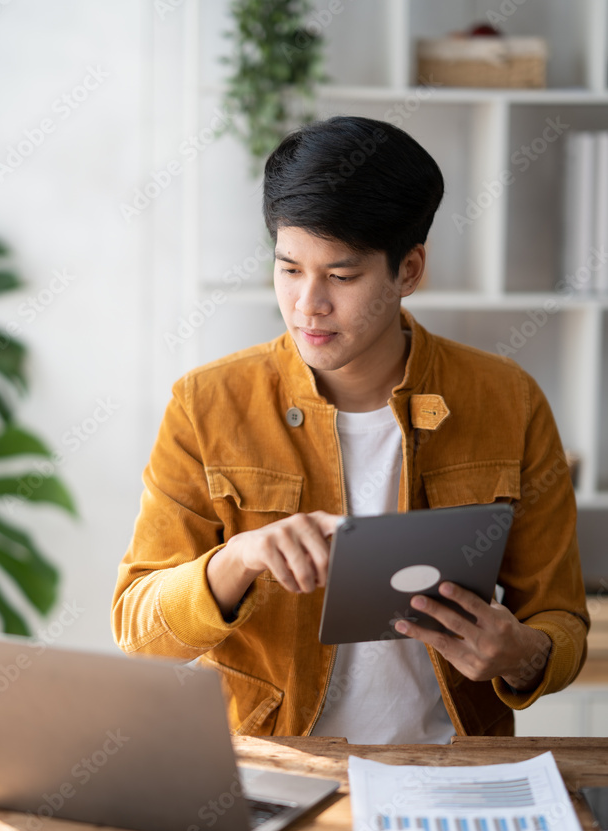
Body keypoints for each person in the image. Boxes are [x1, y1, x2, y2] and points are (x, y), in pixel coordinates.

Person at [112, 115, 589, 743]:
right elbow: (138, 632)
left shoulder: (508, 399)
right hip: (273, 765)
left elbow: (561, 620)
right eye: (289, 269)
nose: (308, 303)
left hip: (457, 766)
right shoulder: (207, 403)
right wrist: (240, 558)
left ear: (409, 271)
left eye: (340, 276)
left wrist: (522, 654)